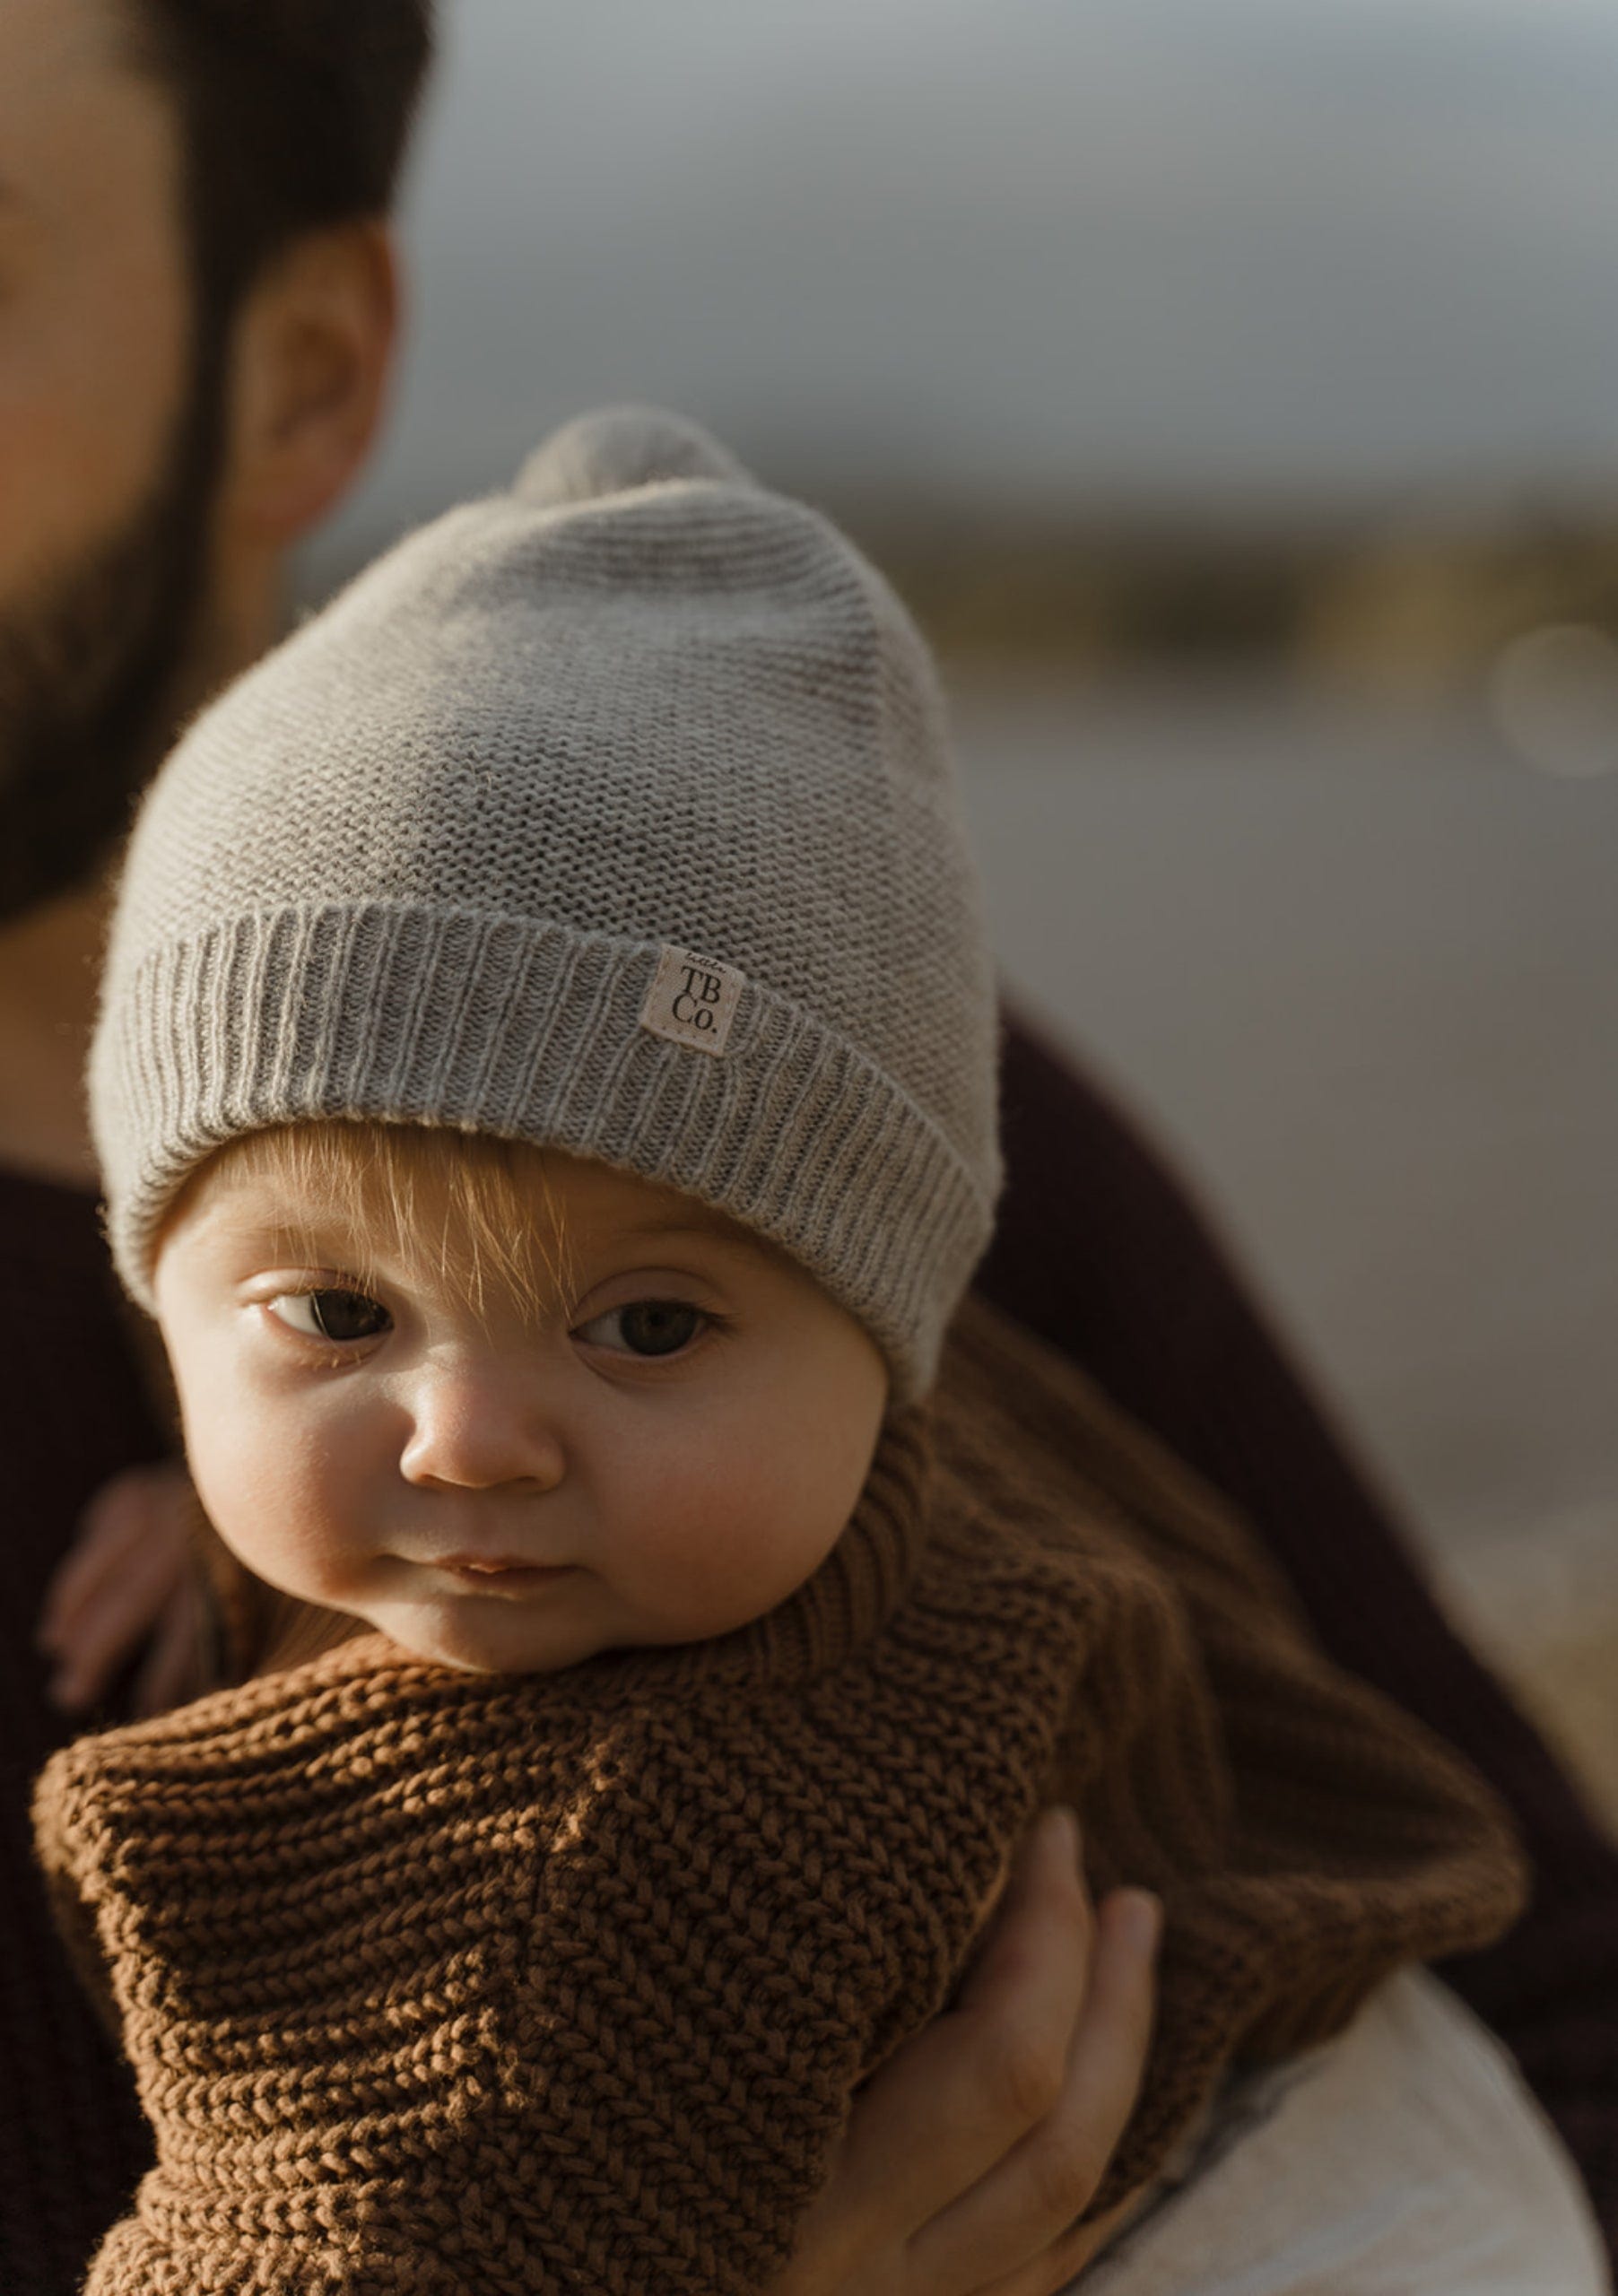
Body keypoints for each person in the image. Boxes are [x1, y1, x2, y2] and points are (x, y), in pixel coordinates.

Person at [3, 1, 1615, 2289]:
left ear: (302, 365)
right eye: (330, 1314)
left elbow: (1562, 1981)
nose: (461, 1443)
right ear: (183, 1309)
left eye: (652, 1317)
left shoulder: (858, 1114)